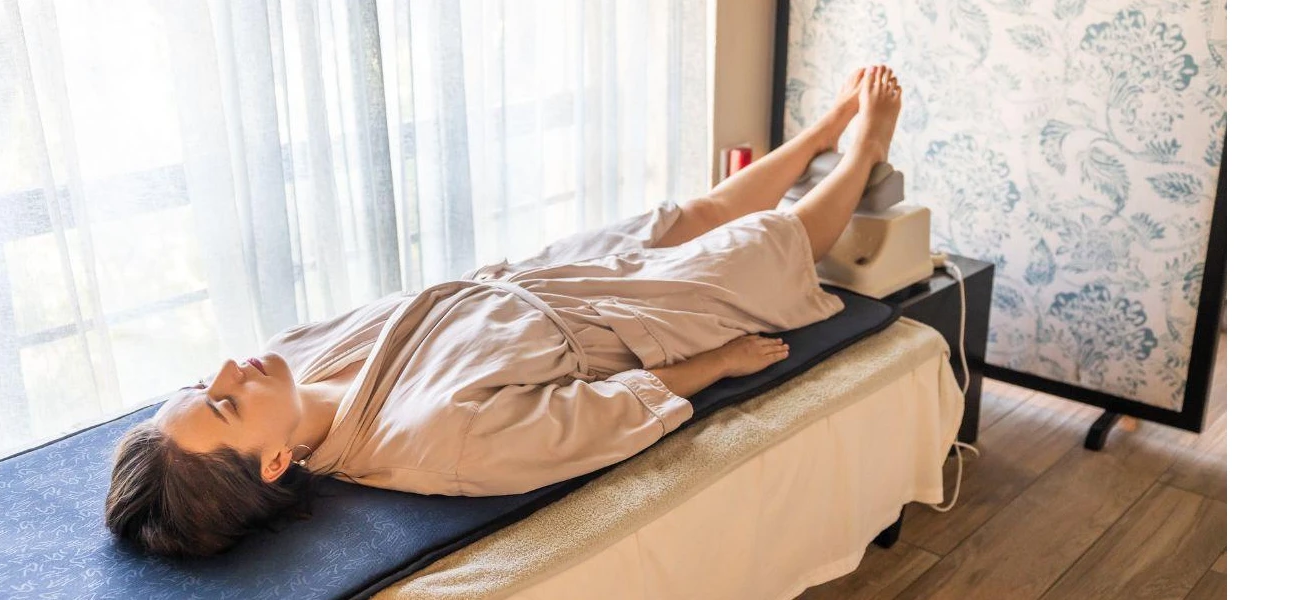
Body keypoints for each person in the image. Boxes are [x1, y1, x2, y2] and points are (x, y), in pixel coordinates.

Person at [105, 65, 903, 557]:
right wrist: (717, 363)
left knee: (686, 216)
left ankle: (816, 135)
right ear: (275, 463)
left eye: (202, 384)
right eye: (224, 404)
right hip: (617, 329)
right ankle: (864, 148)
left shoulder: (294, 352)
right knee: (766, 247)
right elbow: (601, 417)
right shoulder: (434, 444)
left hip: (533, 279)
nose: (229, 370)